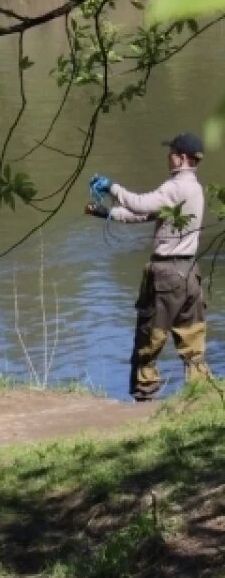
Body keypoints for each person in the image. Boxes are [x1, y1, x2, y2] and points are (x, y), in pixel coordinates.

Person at [86, 131, 212, 401]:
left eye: (171, 153)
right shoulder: (193, 189)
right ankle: (201, 397)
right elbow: (145, 214)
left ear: (181, 158)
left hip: (166, 275)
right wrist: (107, 213)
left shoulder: (176, 186)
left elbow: (141, 203)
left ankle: (144, 401)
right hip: (189, 274)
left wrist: (112, 188)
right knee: (192, 343)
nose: (168, 157)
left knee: (148, 341)